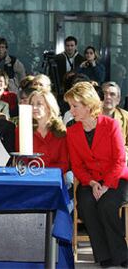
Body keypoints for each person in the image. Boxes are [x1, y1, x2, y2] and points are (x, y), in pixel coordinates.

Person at [65, 82, 128, 267]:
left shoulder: (111, 125)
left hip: (116, 178)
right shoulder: (72, 131)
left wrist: (106, 185)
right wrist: (92, 183)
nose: (71, 110)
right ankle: (103, 255)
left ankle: (121, 254)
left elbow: (119, 160)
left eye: (75, 106)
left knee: (107, 204)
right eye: (70, 106)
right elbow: (76, 165)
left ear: (88, 105)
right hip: (90, 180)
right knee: (86, 204)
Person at [16, 89, 68, 174]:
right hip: (30, 178)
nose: (34, 108)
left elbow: (64, 164)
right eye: (31, 104)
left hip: (53, 178)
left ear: (49, 107)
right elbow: (22, 161)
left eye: (39, 104)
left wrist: (44, 172)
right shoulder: (22, 129)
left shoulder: (61, 131)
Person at [102, 81, 128, 156]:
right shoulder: (91, 116)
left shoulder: (126, 117)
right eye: (104, 93)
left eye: (112, 94)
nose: (108, 97)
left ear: (118, 100)